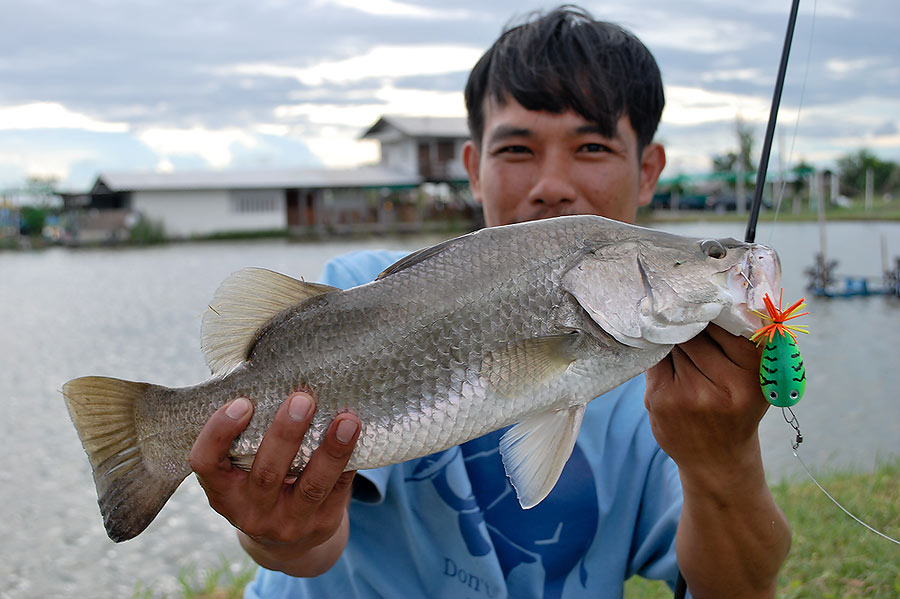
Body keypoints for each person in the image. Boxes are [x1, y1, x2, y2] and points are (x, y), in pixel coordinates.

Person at [188, 6, 791, 598]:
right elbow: (312, 549)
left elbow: (737, 589)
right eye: (517, 150)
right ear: (473, 169)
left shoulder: (682, 388)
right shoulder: (355, 286)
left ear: (648, 170)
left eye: (592, 148)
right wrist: (282, 535)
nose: (552, 184)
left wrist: (725, 459)